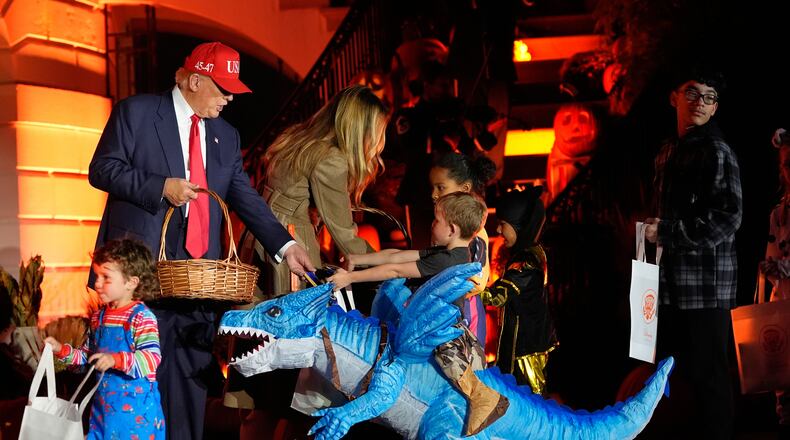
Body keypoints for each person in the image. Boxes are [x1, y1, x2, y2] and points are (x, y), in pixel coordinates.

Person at [88, 41, 314, 440]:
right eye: (223, 88)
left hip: (199, 281)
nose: (229, 98)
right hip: (141, 276)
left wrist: (286, 247)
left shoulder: (225, 136)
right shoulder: (136, 113)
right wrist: (161, 187)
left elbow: (243, 194)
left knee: (189, 386)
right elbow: (102, 170)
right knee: (134, 383)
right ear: (194, 79)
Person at [225, 85, 387, 438]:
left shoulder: (297, 141)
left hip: (262, 245)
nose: (378, 142)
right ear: (360, 129)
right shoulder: (330, 159)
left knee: (259, 383)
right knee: (287, 383)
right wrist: (400, 267)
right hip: (289, 263)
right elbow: (347, 236)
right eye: (377, 132)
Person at [331, 192, 507, 436]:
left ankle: (481, 397)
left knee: (435, 356)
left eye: (436, 220)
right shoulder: (450, 252)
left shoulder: (446, 260)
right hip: (432, 321)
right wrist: (357, 259)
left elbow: (394, 270)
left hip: (440, 330)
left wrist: (349, 278)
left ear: (452, 229)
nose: (431, 224)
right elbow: (397, 255)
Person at [644, 67, 741, 439]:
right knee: (670, 379)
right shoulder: (668, 151)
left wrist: (668, 231)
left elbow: (729, 217)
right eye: (692, 93)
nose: (700, 102)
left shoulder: (717, 151)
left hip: (705, 289)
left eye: (709, 97)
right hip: (669, 288)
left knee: (710, 382)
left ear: (716, 108)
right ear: (674, 97)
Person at [45, 239, 165, 439]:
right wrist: (62, 351)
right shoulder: (98, 318)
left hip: (137, 418)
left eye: (106, 277)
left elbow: (151, 359)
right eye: (97, 276)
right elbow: (88, 358)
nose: (97, 283)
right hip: (103, 414)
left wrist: (114, 360)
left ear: (131, 282)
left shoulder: (142, 317)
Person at [480, 186, 556, 395]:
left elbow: (496, 297)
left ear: (520, 226)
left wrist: (466, 286)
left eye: (503, 224)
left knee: (529, 402)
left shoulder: (526, 263)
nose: (498, 230)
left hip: (526, 350)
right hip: (528, 343)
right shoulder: (530, 252)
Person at [429, 152, 496, 344]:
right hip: (445, 307)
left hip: (465, 311)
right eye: (432, 187)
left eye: (440, 187)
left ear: (465, 188)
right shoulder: (442, 226)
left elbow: (478, 280)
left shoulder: (475, 231)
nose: (434, 194)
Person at [759, 128, 790, 432]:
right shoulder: (779, 213)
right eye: (787, 164)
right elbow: (773, 252)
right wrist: (769, 269)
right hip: (783, 309)